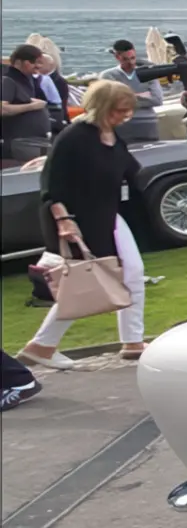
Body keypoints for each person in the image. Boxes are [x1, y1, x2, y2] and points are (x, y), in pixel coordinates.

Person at [14, 81, 149, 368]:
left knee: (133, 272)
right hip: (77, 217)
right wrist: (64, 221)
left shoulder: (111, 135)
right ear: (103, 107)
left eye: (127, 111)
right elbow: (51, 186)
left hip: (106, 214)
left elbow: (129, 170)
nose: (125, 116)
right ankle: (41, 345)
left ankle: (133, 340)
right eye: (119, 111)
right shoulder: (74, 136)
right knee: (82, 282)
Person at [101, 40, 165, 142]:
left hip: (148, 125)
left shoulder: (148, 73)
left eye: (133, 58)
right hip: (121, 127)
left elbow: (157, 100)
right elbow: (112, 102)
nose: (131, 62)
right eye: (125, 59)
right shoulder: (108, 76)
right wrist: (143, 95)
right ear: (117, 57)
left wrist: (126, 97)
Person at [2, 45, 56, 162]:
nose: (39, 66)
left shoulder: (28, 79)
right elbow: (3, 109)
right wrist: (32, 106)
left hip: (37, 140)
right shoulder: (8, 80)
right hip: (22, 142)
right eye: (34, 62)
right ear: (19, 62)